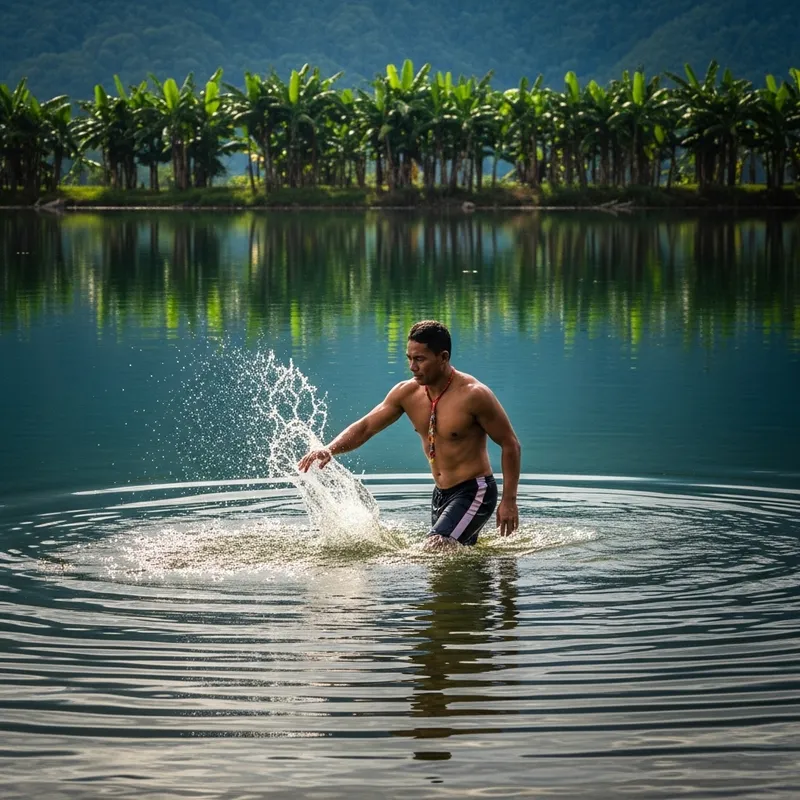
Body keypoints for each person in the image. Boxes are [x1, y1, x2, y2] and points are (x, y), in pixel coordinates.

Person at [298, 320, 521, 549]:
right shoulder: (406, 393)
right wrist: (329, 448)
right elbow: (366, 427)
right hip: (441, 494)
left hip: (475, 490)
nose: (412, 367)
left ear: (443, 357)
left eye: (420, 359)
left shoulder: (474, 395)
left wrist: (509, 501)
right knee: (452, 564)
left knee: (436, 546)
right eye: (409, 358)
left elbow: (510, 444)